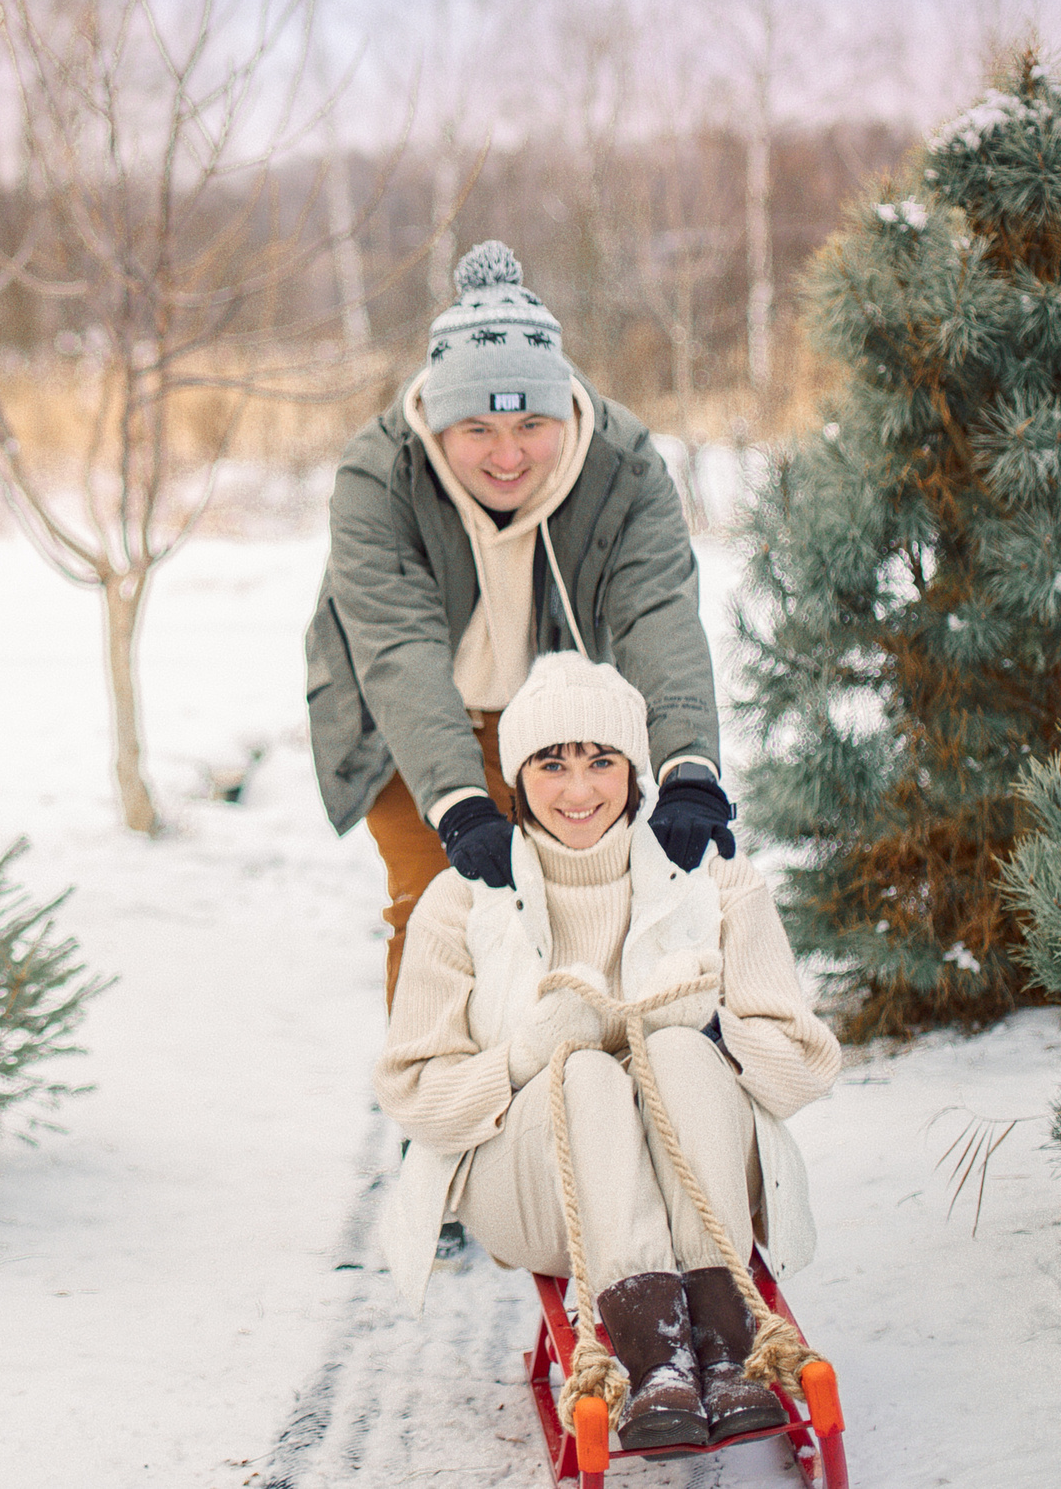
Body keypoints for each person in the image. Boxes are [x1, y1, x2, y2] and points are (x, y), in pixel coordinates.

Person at [372, 653, 840, 1449]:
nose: (579, 789)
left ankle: (726, 1344)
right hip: (540, 1186)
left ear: (636, 768)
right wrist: (522, 1055)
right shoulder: (463, 898)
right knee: (586, 1071)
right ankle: (649, 1354)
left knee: (682, 1058)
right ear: (518, 775)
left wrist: (717, 1032)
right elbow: (414, 1091)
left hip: (706, 1177)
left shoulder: (713, 875)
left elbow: (805, 1062)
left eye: (602, 760)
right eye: (552, 763)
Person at [305, 240, 732, 1008]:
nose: (507, 456)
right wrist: (461, 802)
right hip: (404, 721)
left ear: (565, 407)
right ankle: (434, 1100)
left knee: (576, 908)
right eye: (477, 430)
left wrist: (688, 764)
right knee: (438, 905)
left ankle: (559, 1091)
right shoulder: (379, 476)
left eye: (531, 424)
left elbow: (656, 611)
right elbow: (396, 646)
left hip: (554, 718)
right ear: (437, 423)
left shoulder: (624, 464)